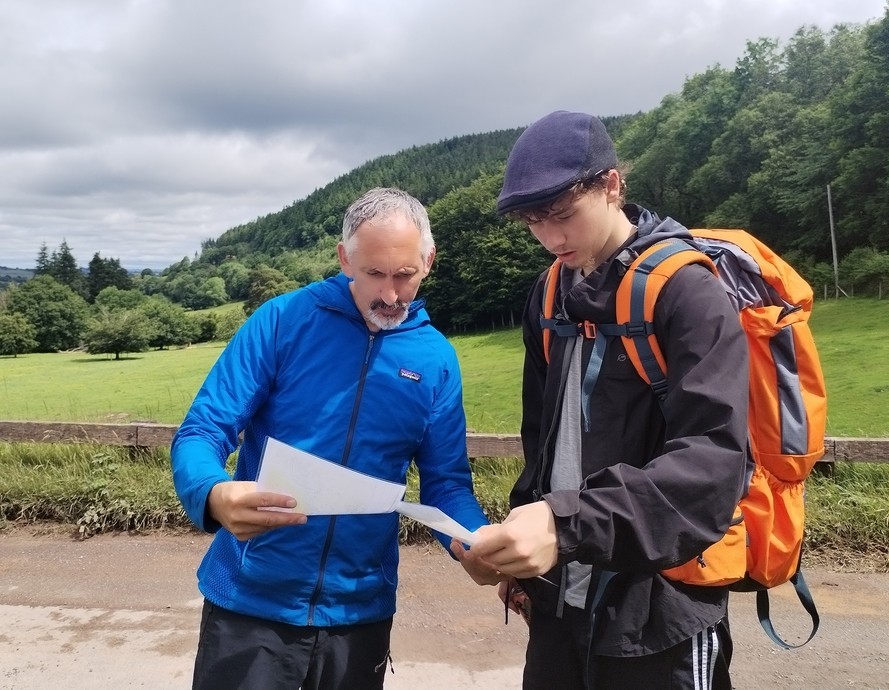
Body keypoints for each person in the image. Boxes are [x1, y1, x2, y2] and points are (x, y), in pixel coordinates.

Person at [451, 111, 750, 689]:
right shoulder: (549, 292)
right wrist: (521, 552)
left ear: (611, 186)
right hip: (557, 607)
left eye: (563, 215)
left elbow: (711, 468)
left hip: (660, 609)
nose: (550, 237)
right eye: (532, 221)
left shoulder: (689, 293)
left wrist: (563, 527)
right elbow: (541, 441)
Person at [172, 187, 489, 690]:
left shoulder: (436, 359)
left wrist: (476, 542)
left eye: (405, 274)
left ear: (428, 260)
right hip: (252, 603)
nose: (390, 294)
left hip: (360, 613)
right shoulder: (280, 321)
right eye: (373, 274)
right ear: (344, 259)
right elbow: (202, 432)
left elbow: (447, 484)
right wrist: (212, 492)